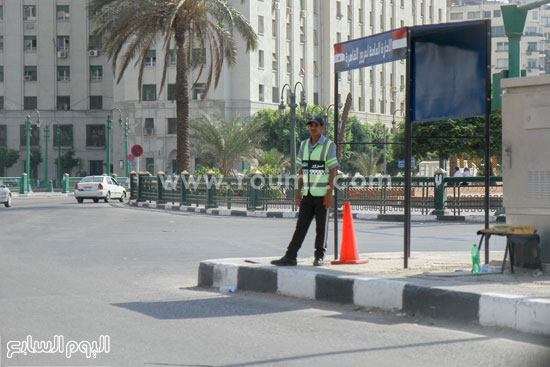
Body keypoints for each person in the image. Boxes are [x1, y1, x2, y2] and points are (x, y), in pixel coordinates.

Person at [271, 115, 339, 267]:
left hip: (323, 196)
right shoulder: (303, 145)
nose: (312, 128)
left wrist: (329, 194)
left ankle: (319, 256)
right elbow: (302, 170)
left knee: (321, 228)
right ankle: (290, 256)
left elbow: (333, 170)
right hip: (307, 194)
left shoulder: (329, 145)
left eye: (316, 125)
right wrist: (298, 192)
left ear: (322, 127)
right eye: (310, 125)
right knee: (301, 226)